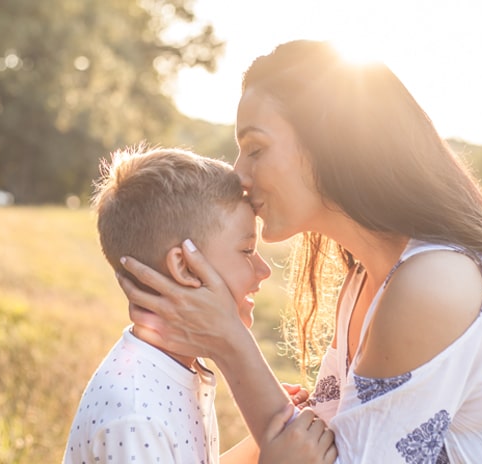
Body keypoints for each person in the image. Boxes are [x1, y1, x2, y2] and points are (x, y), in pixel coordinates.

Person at [116, 41, 482, 463]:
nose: (240, 174)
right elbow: (311, 447)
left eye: (255, 148)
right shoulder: (367, 282)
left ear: (328, 143)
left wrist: (230, 342)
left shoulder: (434, 285)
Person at [62, 145, 336, 464]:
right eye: (247, 250)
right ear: (186, 266)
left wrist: (263, 444)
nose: (264, 270)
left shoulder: (170, 371)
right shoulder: (136, 416)